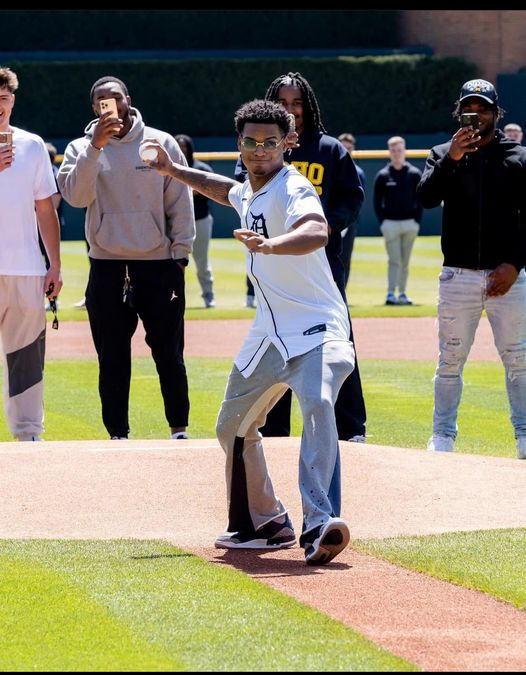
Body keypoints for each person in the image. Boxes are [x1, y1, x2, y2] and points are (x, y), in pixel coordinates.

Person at [144, 98, 355, 564]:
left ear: (288, 144)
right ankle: (266, 522)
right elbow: (224, 189)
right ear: (239, 144)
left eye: (270, 143)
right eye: (251, 142)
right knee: (232, 428)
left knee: (318, 403)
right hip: (269, 336)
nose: (259, 151)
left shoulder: (294, 187)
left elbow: (317, 231)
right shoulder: (249, 189)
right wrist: (173, 169)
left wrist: (273, 245)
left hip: (319, 330)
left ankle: (320, 523)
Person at [57, 75, 195, 441]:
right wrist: (95, 148)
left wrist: (180, 254)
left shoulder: (160, 142)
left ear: (128, 99)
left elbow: (179, 198)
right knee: (112, 357)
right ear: (93, 108)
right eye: (101, 100)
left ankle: (178, 430)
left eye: (114, 97)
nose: (109, 104)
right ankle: (118, 434)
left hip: (159, 265)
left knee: (169, 353)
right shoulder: (78, 148)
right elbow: (75, 197)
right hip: (106, 264)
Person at [235, 72, 367, 443]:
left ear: (308, 106)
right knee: (276, 342)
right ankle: (276, 428)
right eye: (282, 103)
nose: (290, 109)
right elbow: (240, 185)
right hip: (274, 264)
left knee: (336, 342)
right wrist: (277, 148)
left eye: (297, 103)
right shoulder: (260, 147)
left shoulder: (328, 149)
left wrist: (330, 227)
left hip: (321, 263)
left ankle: (351, 427)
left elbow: (351, 197)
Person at [417, 78, 526, 459]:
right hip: (458, 276)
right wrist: (453, 158)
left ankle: (524, 436)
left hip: (507, 276)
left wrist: (514, 263)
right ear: (458, 112)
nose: (476, 115)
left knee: (518, 358)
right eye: (469, 108)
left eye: (483, 108)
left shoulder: (518, 156)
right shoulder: (443, 152)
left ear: (496, 113)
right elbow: (426, 198)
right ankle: (442, 436)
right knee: (449, 360)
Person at [0, 66, 63, 441]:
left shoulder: (33, 145)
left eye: (3, 100)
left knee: (25, 357)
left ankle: (28, 435)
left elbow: (45, 208)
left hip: (25, 268)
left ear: (13, 100)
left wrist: (53, 263)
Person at [373, 136, 422, 306]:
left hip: (410, 224)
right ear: (389, 152)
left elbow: (421, 200)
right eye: (393, 150)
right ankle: (390, 294)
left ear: (405, 151)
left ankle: (402, 293)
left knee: (405, 261)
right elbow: (376, 202)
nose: (396, 153)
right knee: (394, 260)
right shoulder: (383, 175)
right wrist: (383, 222)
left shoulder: (414, 173)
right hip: (390, 224)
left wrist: (416, 221)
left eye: (399, 150)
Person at [175, 133, 216, 308]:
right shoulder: (169, 168)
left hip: (200, 220)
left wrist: (196, 190)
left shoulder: (201, 168)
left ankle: (208, 295)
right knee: (174, 261)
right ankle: (174, 296)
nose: (182, 149)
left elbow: (214, 190)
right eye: (179, 146)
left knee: (202, 261)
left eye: (185, 146)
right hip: (176, 222)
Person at [338, 132, 365, 289]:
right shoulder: (331, 168)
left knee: (345, 259)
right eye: (343, 147)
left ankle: (342, 293)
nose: (346, 150)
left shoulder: (358, 172)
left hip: (349, 222)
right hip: (329, 220)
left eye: (349, 147)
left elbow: (358, 200)